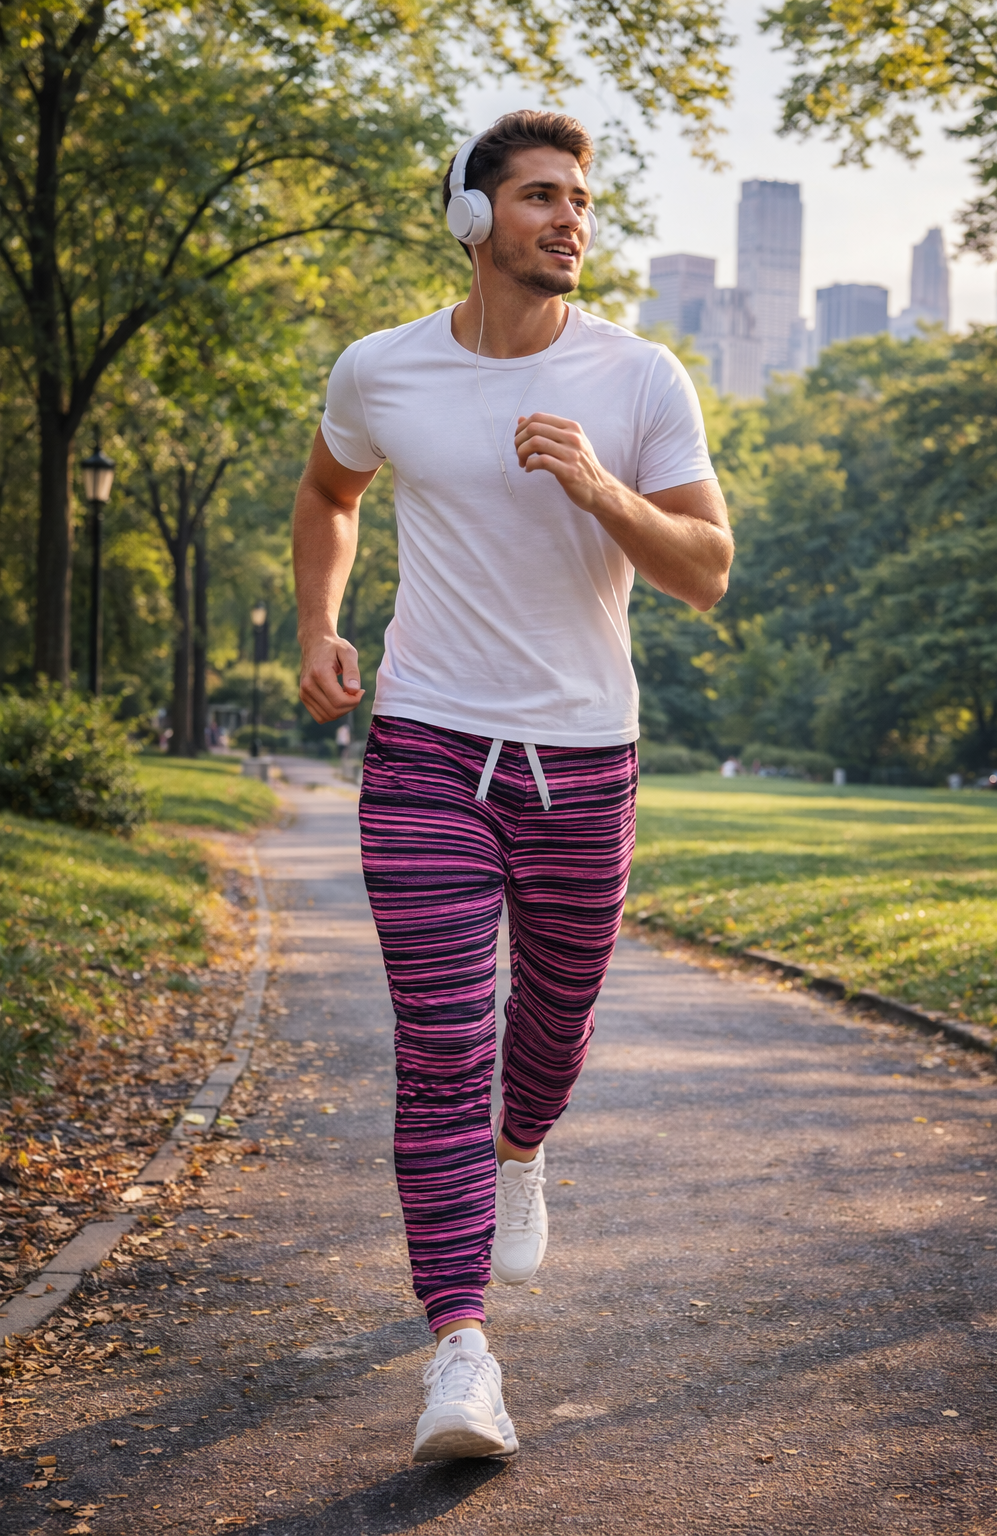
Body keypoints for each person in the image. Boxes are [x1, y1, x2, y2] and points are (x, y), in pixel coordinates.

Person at [293, 109, 732, 1463]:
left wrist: (601, 488)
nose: (570, 219)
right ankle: (459, 1356)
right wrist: (319, 620)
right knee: (440, 1051)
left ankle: (526, 1145)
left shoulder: (641, 378)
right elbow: (329, 493)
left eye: (581, 199)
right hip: (427, 746)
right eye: (542, 196)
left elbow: (706, 569)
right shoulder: (385, 370)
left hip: (584, 757)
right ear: (473, 218)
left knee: (550, 1029)